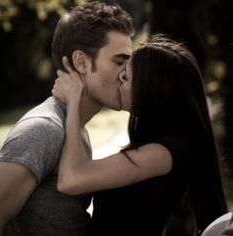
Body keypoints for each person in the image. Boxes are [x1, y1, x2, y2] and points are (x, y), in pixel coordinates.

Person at [52, 33, 228, 236]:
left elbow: (71, 180)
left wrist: (74, 100)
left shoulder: (162, 153)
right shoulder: (160, 146)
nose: (119, 79)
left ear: (148, 90)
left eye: (125, 77)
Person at [0, 1, 134, 235]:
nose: (126, 74)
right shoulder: (45, 129)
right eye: (119, 62)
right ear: (81, 62)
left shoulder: (74, 127)